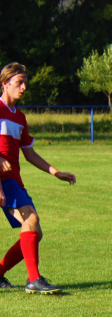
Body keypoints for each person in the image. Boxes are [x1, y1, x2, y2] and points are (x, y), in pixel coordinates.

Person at [0, 62, 76, 294]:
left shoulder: (20, 118)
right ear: (4, 84)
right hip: (3, 181)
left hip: (13, 180)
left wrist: (55, 172)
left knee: (34, 231)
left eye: (25, 83)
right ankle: (34, 280)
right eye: (18, 82)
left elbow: (29, 153)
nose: (23, 87)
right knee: (30, 219)